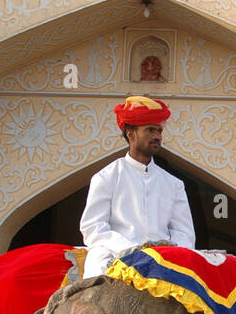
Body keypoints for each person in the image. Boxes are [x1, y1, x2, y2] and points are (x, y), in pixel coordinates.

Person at [80, 96, 195, 279]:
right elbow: (93, 227)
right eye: (150, 130)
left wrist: (170, 253)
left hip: (164, 257)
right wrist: (131, 249)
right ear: (130, 133)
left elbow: (184, 233)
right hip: (115, 253)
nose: (157, 136)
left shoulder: (174, 184)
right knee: (95, 276)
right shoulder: (105, 177)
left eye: (159, 131)